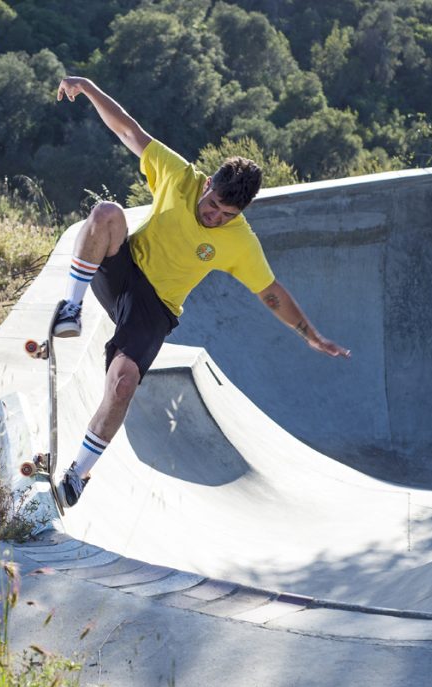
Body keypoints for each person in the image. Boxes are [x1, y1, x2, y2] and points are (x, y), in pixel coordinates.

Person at [52, 76, 351, 507]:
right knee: (105, 213)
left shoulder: (239, 240)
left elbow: (270, 291)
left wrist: (310, 334)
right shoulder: (179, 176)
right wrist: (89, 88)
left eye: (227, 215)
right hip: (123, 269)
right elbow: (128, 130)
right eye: (212, 205)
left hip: (154, 311)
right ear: (207, 183)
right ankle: (70, 308)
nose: (214, 217)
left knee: (122, 385)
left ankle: (78, 473)